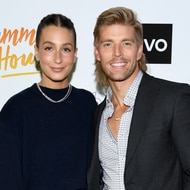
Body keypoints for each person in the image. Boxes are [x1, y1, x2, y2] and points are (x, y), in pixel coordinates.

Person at [87, 6, 190, 190]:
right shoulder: (98, 114)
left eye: (126, 43)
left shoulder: (173, 99)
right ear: (98, 53)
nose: (117, 52)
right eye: (108, 44)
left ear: (139, 49)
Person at [0, 13, 97, 189]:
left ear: (75, 54)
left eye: (66, 49)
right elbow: (8, 180)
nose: (58, 58)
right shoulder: (15, 109)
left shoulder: (87, 104)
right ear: (36, 52)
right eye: (49, 48)